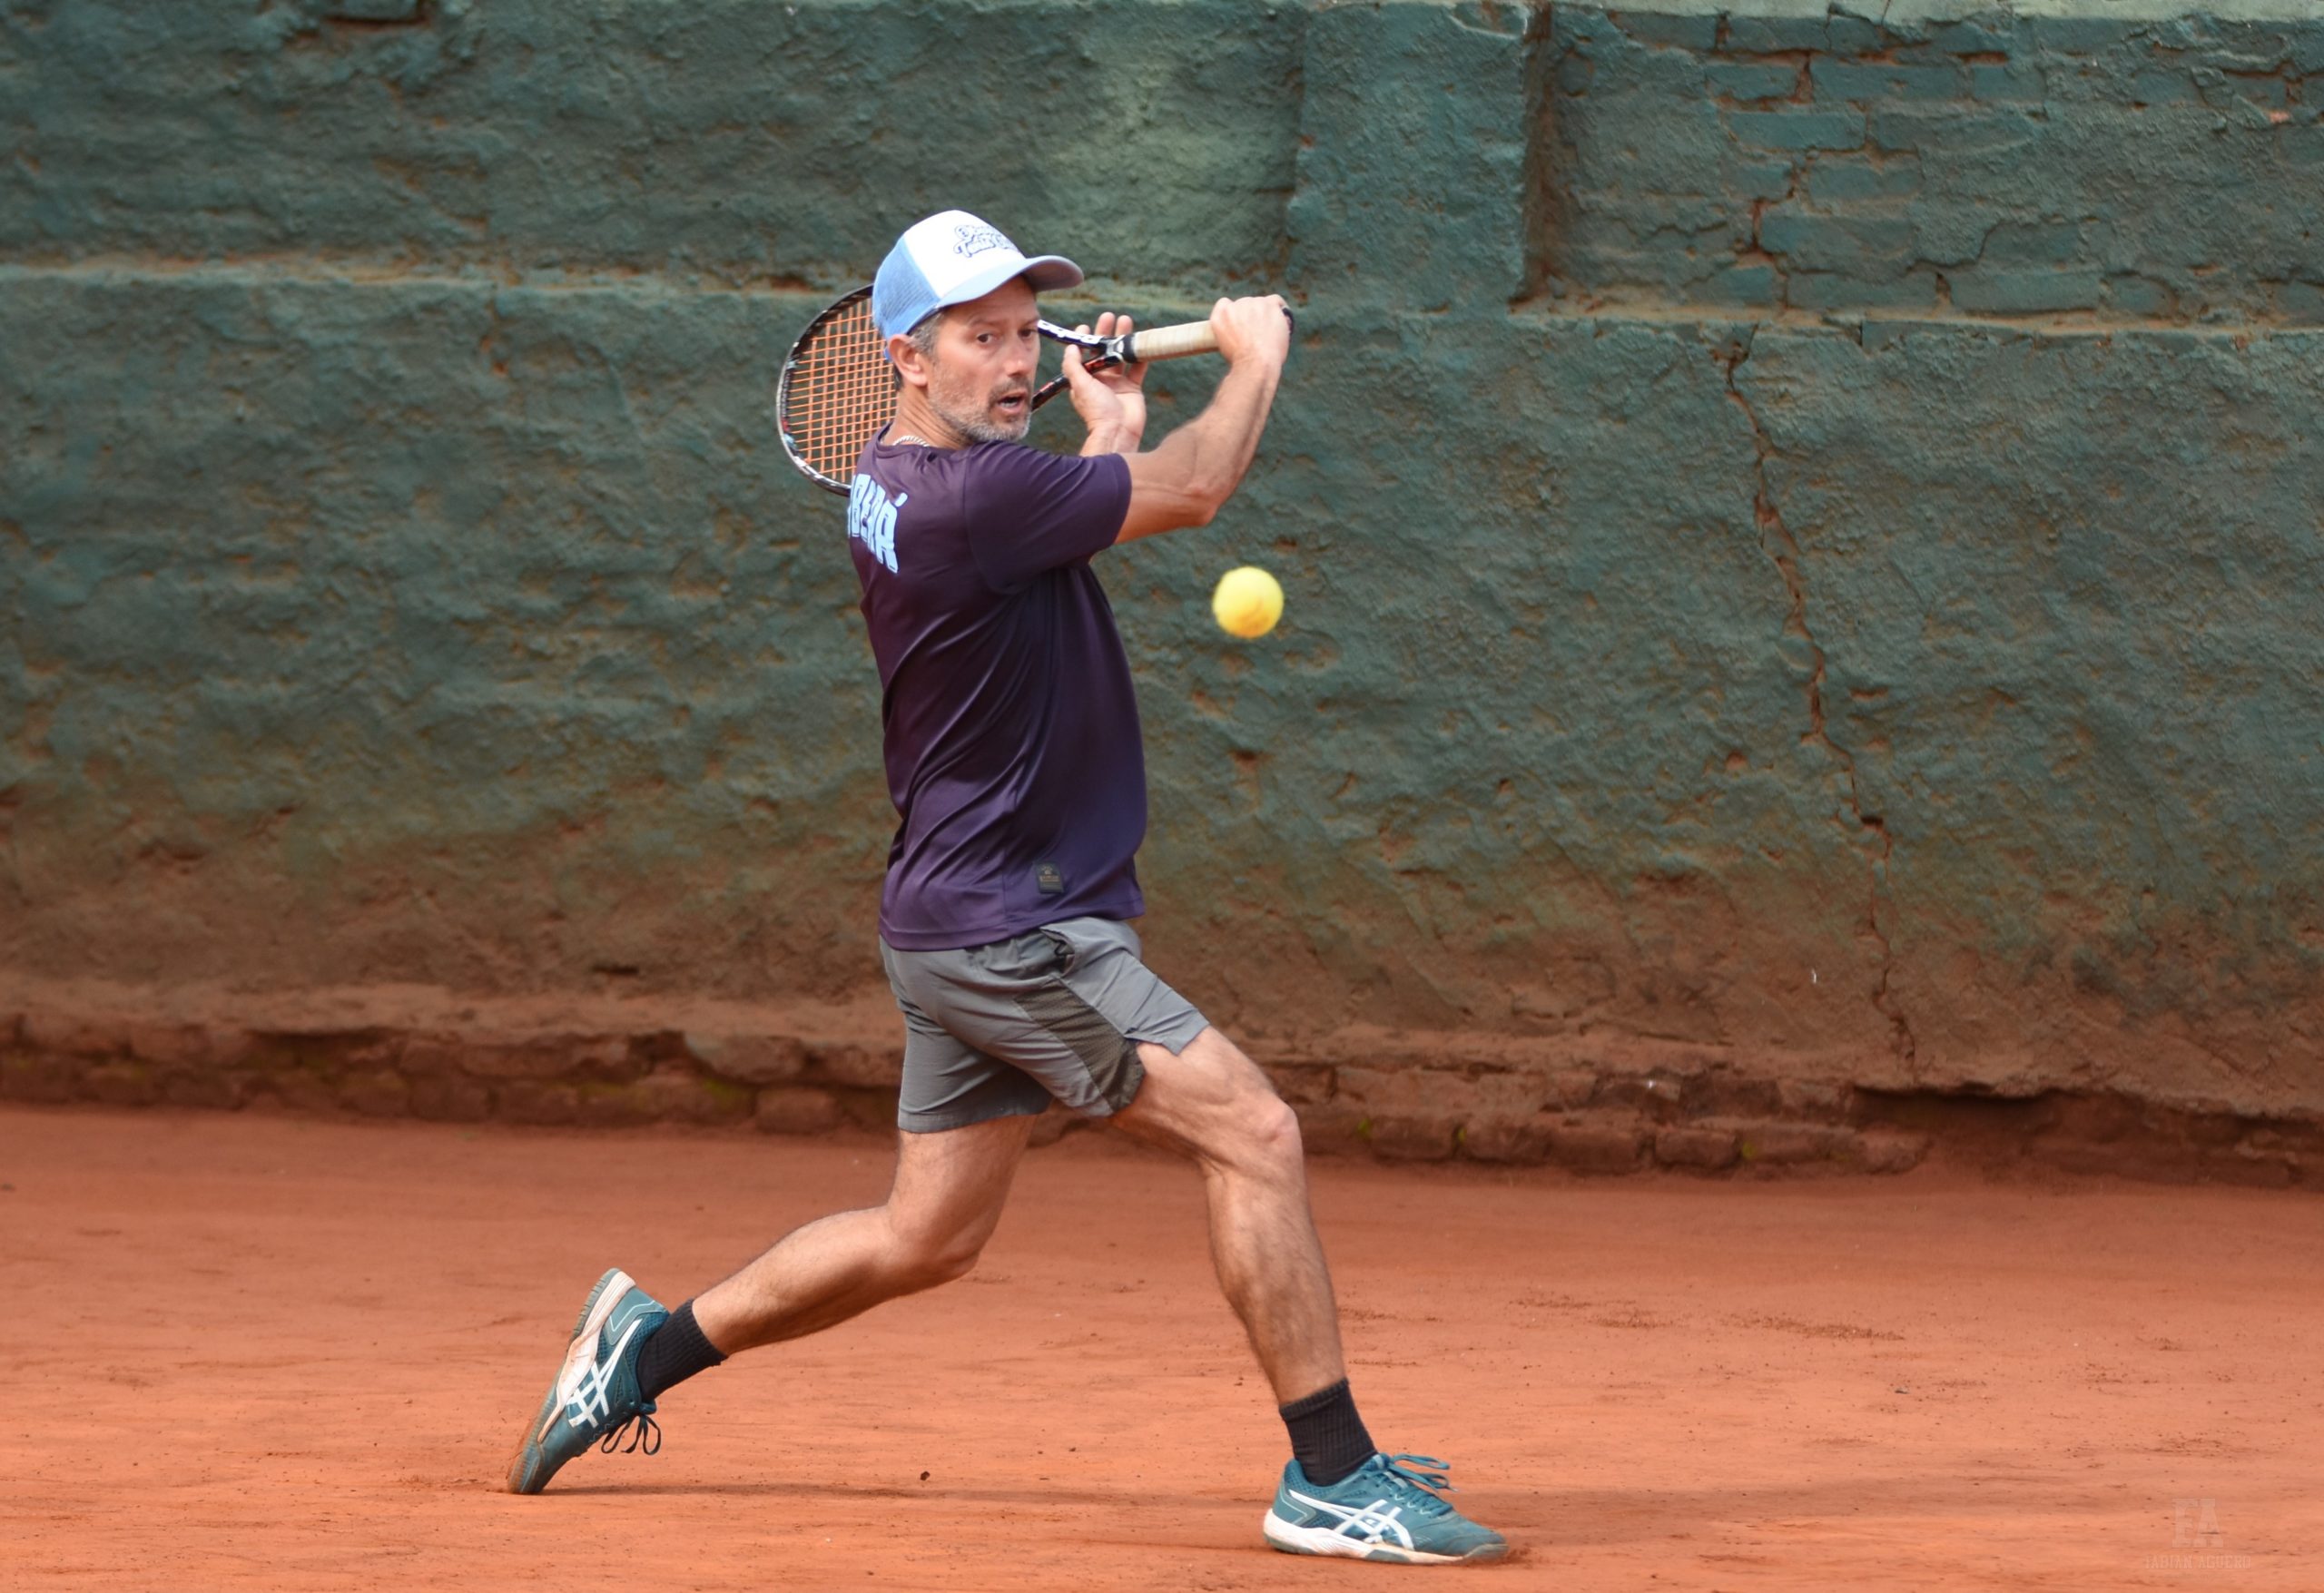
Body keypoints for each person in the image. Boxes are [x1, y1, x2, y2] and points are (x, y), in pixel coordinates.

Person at [504, 210, 1507, 1566]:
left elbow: (1062, 523)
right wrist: (1254, 356)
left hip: (949, 912)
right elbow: (1196, 489)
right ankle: (1330, 1476)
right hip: (1013, 928)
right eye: (982, 338)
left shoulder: (905, 479)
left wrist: (1111, 424)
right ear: (905, 358)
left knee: (925, 1238)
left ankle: (640, 1351)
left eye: (1029, 332)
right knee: (1255, 1133)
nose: (1019, 360)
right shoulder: (975, 498)